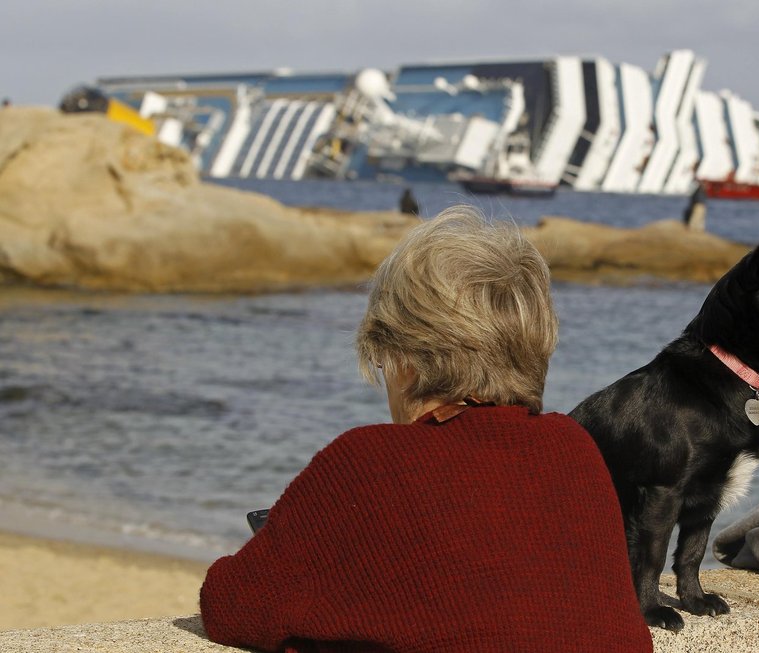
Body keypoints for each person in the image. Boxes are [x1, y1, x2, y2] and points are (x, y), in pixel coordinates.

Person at [199, 206, 652, 652]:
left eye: (381, 359)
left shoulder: (370, 459)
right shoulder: (574, 447)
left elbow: (230, 605)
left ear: (407, 360)